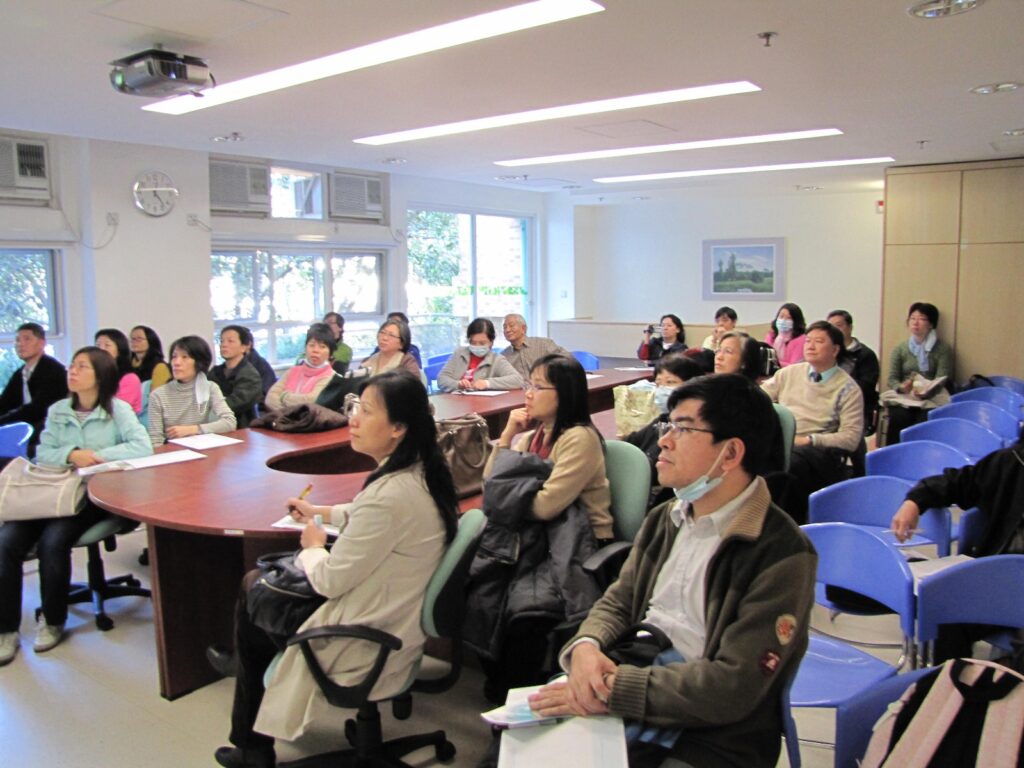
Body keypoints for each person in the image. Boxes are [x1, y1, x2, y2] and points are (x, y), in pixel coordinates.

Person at [528, 374, 816, 768]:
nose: (663, 440)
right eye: (669, 425)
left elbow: (732, 687)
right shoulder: (667, 516)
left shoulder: (782, 552)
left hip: (718, 727)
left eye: (683, 428)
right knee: (521, 748)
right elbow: (620, 600)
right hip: (642, 667)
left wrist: (611, 689)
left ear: (730, 454)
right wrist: (586, 648)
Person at [212, 371, 458, 768]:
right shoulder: (420, 469)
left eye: (367, 411)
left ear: (398, 428)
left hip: (367, 635)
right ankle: (247, 667)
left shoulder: (390, 493)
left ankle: (251, 742)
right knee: (259, 593)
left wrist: (312, 546)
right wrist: (320, 513)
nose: (354, 419)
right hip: (394, 615)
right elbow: (372, 517)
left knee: (254, 586)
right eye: (354, 407)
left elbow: (328, 580)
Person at [0, 346, 152, 666]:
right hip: (47, 491)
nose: (72, 371)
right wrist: (71, 454)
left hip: (89, 495)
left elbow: (142, 446)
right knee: (6, 543)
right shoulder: (58, 410)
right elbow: (43, 453)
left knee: (53, 542)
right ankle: (6, 629)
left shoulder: (117, 409)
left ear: (100, 376)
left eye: (82, 367)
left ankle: (53, 621)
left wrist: (94, 456)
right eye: (72, 366)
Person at [476, 353, 613, 700]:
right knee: (484, 586)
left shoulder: (579, 438)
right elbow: (491, 484)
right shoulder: (534, 436)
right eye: (529, 385)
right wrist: (506, 435)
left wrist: (512, 500)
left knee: (526, 611)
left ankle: (516, 696)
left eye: (538, 386)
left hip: (577, 545)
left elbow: (547, 505)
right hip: (535, 540)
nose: (529, 394)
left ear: (564, 393)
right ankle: (500, 686)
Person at [891, 431, 1024, 662]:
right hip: (1000, 581)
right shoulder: (1010, 462)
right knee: (948, 607)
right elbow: (954, 483)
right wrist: (914, 502)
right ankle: (946, 687)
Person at [761, 321, 864, 523]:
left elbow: (851, 439)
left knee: (789, 467)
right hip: (784, 441)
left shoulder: (848, 388)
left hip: (819, 453)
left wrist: (809, 440)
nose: (810, 345)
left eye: (818, 341)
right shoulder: (788, 374)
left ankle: (790, 526)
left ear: (835, 349)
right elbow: (758, 398)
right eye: (808, 340)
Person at [623, 354, 705, 510]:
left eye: (670, 382)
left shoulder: (695, 430)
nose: (662, 390)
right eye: (658, 384)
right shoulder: (663, 420)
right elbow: (630, 443)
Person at [883, 301, 953, 445]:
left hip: (931, 397)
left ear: (932, 324)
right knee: (898, 417)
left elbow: (943, 377)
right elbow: (892, 378)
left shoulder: (942, 349)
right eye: (913, 318)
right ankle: (893, 455)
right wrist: (902, 387)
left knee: (926, 418)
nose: (916, 323)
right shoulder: (900, 349)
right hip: (905, 396)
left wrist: (926, 390)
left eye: (921, 319)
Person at [147, 335, 236, 447]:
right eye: (174, 357)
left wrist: (194, 429)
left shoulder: (210, 388)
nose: (176, 362)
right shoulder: (158, 395)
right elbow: (155, 441)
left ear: (200, 362)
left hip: (202, 448)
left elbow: (230, 422)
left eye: (185, 357)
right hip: (172, 452)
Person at [0, 322, 67, 457]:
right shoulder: (21, 373)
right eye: (18, 340)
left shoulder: (53, 370)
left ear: (42, 343)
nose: (20, 344)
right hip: (28, 424)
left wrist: (3, 422)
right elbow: (5, 402)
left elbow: (37, 409)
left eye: (27, 339)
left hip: (49, 426)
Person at [827, 310, 880, 434]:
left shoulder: (865, 354)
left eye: (839, 325)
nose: (834, 330)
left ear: (850, 328)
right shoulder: (826, 352)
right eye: (830, 327)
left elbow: (866, 387)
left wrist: (837, 386)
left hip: (854, 408)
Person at [436, 317, 523, 392]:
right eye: (473, 342)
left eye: (482, 343)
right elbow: (441, 379)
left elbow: (517, 380)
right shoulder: (459, 353)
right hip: (455, 403)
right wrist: (458, 384)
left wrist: (487, 383)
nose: (477, 347)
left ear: (491, 342)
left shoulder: (497, 360)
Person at [264, 324, 337, 412]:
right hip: (283, 421)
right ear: (305, 348)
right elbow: (270, 398)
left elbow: (312, 401)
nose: (316, 350)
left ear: (330, 353)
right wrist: (289, 414)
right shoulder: (292, 371)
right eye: (312, 345)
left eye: (322, 347)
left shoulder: (332, 377)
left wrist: (283, 396)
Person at [209, 325, 263, 428]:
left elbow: (234, 404)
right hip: (215, 425)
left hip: (241, 428)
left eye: (230, 341)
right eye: (221, 341)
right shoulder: (215, 372)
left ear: (244, 347)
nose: (224, 345)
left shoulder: (250, 375)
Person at [499, 313, 571, 379]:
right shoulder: (504, 356)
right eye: (504, 327)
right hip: (518, 391)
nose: (507, 330)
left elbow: (567, 358)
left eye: (511, 326)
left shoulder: (544, 344)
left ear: (523, 328)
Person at [94, 328, 143, 415]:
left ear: (119, 349)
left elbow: (117, 410)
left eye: (107, 345)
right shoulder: (93, 375)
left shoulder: (130, 378)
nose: (101, 349)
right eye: (97, 345)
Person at [129, 325, 172, 391]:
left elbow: (157, 394)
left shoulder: (159, 366)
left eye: (139, 339)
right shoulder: (127, 364)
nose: (134, 342)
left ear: (151, 341)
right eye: (133, 339)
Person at [764, 303, 807, 367]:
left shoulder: (801, 339)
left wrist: (774, 362)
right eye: (781, 316)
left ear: (796, 321)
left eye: (789, 318)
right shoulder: (771, 335)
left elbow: (794, 366)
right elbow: (764, 357)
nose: (783, 320)